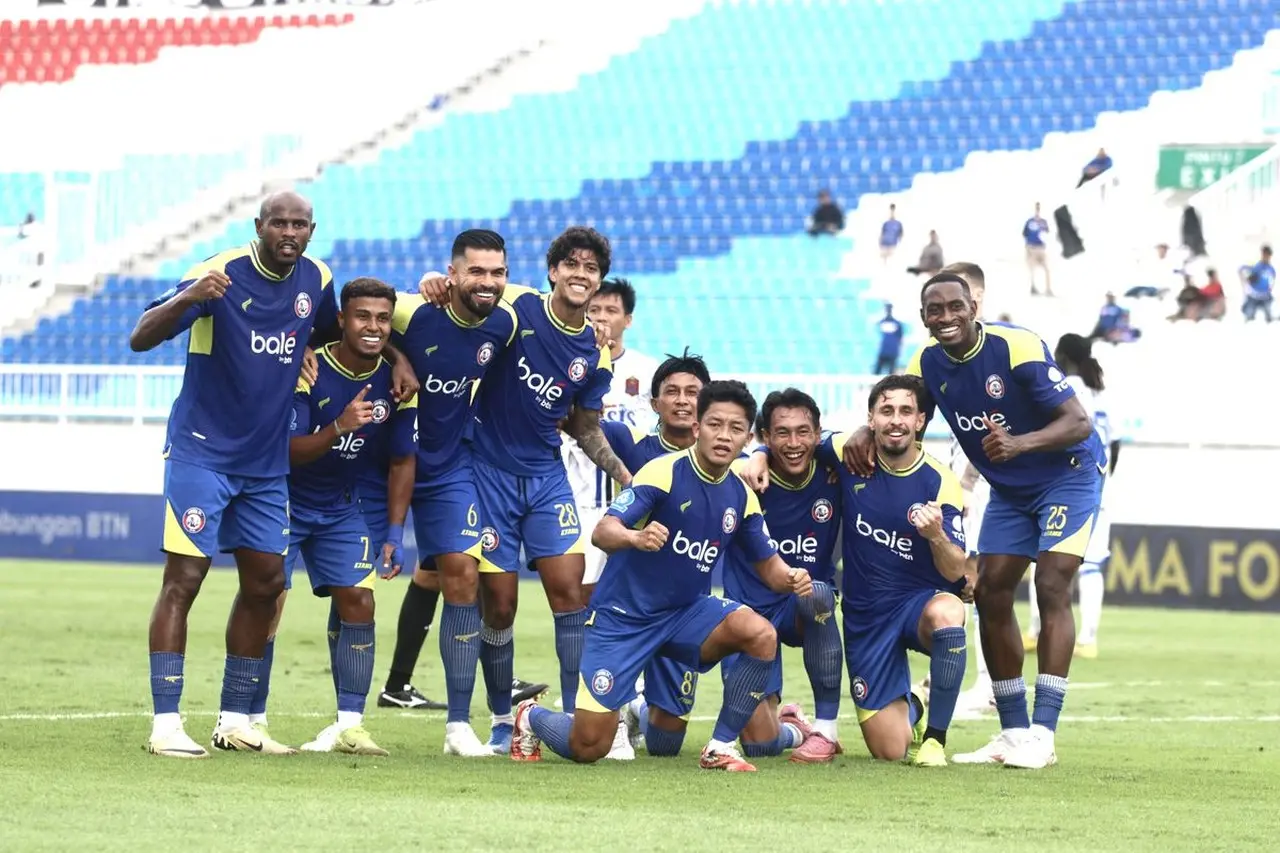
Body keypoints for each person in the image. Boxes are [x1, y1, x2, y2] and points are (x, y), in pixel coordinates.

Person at [840, 272, 1103, 769]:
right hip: (1010, 488)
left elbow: (1078, 422)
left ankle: (1043, 735)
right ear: (923, 317)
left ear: (973, 307)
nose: (946, 317)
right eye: (934, 310)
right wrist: (862, 430)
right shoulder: (926, 361)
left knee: (1051, 584)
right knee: (990, 591)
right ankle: (1013, 732)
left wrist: (1019, 443)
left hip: (1068, 474)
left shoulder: (1017, 346)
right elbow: (905, 413)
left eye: (954, 307)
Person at [508, 381, 814, 772]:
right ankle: (531, 716)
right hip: (623, 619)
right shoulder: (663, 472)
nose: (724, 435)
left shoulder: (741, 496)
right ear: (698, 427)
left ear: (747, 439)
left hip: (684, 615)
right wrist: (635, 537)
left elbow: (770, 569)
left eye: (735, 428)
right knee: (589, 746)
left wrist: (792, 577)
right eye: (715, 424)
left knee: (760, 634)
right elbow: (604, 531)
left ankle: (720, 746)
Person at [130, 191, 339, 758]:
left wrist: (309, 350)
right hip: (202, 452)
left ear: (311, 230)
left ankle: (235, 720)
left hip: (265, 463)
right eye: (279, 223)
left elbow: (324, 331)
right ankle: (166, 724)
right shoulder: (217, 273)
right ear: (259, 225)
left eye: (300, 224)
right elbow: (141, 335)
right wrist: (189, 298)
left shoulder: (317, 278)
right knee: (185, 579)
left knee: (268, 583)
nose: (289, 232)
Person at [455, 226, 633, 751]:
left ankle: (580, 717)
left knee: (570, 592)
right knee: (500, 606)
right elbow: (466, 302)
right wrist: (434, 284)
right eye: (571, 265)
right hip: (489, 472)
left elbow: (585, 427)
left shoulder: (594, 351)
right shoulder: (519, 306)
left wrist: (627, 477)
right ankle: (501, 721)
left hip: (545, 477)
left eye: (591, 268)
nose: (581, 274)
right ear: (553, 271)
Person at [384, 230, 549, 755]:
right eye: (475, 271)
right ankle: (346, 716)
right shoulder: (412, 310)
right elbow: (350, 320)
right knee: (351, 588)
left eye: (497, 272)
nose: (488, 282)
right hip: (380, 462)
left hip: (450, 466)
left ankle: (458, 726)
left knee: (461, 572)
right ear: (452, 273)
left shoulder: (505, 321)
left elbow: (549, 310)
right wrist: (396, 355)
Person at [283, 278, 416, 756]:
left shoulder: (399, 383)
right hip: (284, 500)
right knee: (266, 599)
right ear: (341, 319)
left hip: (340, 504)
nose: (373, 327)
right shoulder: (309, 368)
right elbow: (290, 451)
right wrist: (340, 426)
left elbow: (402, 459)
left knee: (359, 599)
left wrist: (395, 532)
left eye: (382, 319)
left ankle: (349, 725)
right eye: (362, 316)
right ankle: (246, 719)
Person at [836, 375, 968, 765]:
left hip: (916, 605)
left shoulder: (939, 481)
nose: (896, 420)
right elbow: (797, 440)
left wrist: (936, 535)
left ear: (920, 420)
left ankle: (935, 741)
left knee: (949, 612)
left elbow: (955, 569)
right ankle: (916, 703)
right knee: (890, 750)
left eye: (906, 411)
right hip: (866, 618)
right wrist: (758, 457)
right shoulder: (848, 455)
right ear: (871, 419)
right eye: (887, 411)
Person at [598, 349, 710, 760]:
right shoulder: (630, 444)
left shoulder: (723, 459)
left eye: (692, 392)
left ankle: (638, 709)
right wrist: (592, 355)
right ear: (654, 402)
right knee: (593, 738)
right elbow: (576, 416)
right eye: (672, 392)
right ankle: (550, 716)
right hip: (629, 599)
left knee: (665, 745)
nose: (682, 400)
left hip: (684, 605)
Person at [725, 388, 844, 764]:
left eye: (803, 432)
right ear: (764, 435)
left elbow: (860, 439)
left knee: (818, 594)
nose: (793, 443)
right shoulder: (740, 476)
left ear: (818, 434)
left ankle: (825, 729)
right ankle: (795, 728)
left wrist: (761, 452)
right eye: (781, 433)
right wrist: (756, 455)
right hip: (750, 614)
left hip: (801, 607)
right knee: (760, 745)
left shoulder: (834, 471)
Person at [1023, 334, 1120, 660]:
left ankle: (1036, 631)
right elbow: (1116, 445)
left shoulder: (1064, 389)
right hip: (1100, 485)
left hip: (1067, 485)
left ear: (1062, 355)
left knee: (1045, 558)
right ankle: (1089, 639)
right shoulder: (1104, 394)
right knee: (1092, 564)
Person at [565, 277, 660, 599]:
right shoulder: (570, 365)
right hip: (580, 496)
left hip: (634, 500)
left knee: (633, 595)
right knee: (581, 594)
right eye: (594, 309)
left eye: (611, 310)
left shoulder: (648, 371)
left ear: (628, 319)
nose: (601, 317)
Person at [1023, 203, 1052, 296]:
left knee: (1047, 268)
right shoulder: (1029, 222)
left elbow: (1047, 234)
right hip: (1031, 248)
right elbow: (1025, 234)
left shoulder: (1043, 222)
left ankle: (1048, 289)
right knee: (1032, 269)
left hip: (1041, 248)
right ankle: (1033, 287)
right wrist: (1028, 249)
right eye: (1036, 209)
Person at [1241, 245, 1275, 323]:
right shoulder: (1256, 266)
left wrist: (1269, 290)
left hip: (1265, 296)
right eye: (1264, 254)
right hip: (1253, 296)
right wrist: (1249, 279)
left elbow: (1271, 282)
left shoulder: (1271, 269)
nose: (1266, 256)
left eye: (1267, 255)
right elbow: (1243, 271)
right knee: (1249, 316)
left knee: (1270, 317)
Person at [874, 303, 904, 374]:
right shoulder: (882, 322)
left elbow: (900, 338)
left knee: (891, 373)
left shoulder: (897, 324)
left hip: (893, 351)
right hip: (883, 350)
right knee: (877, 372)